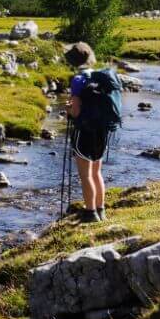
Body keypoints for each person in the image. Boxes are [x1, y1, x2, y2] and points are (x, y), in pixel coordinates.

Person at [64, 42, 122, 223]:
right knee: (97, 173)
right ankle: (100, 210)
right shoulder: (101, 77)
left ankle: (90, 213)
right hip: (102, 131)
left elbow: (75, 112)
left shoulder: (78, 80)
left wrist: (68, 111)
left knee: (85, 174)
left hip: (85, 131)